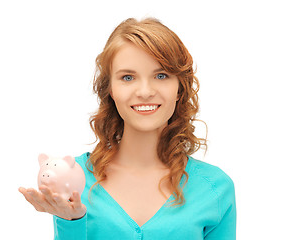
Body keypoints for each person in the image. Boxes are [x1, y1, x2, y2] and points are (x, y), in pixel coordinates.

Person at [19, 17, 236, 239]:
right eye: (128, 77)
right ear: (110, 90)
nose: (144, 91)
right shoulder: (73, 180)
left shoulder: (215, 188)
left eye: (161, 75)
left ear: (179, 88)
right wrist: (71, 223)